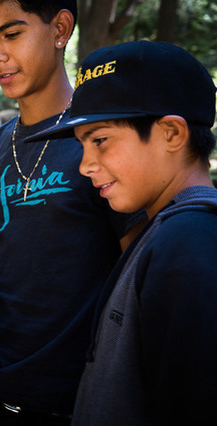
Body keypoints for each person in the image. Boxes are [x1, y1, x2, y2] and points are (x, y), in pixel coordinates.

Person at [0, 1, 145, 423]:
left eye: (12, 34)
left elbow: (138, 278)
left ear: (60, 29)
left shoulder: (100, 142)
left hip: (79, 397)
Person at [24, 40, 217, 426]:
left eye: (100, 141)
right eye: (82, 146)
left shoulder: (188, 245)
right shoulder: (164, 231)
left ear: (171, 134)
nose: (85, 166)